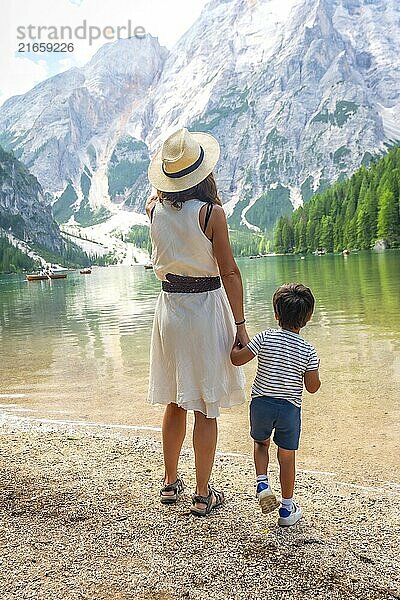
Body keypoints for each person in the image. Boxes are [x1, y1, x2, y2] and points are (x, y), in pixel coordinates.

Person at [146, 127, 248, 516]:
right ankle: (203, 494)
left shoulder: (153, 209)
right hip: (205, 308)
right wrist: (240, 326)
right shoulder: (211, 213)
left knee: (175, 398)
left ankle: (170, 484)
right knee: (206, 404)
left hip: (170, 310)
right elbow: (231, 273)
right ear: (202, 172)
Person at [230, 283, 321, 526]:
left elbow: (237, 360)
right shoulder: (309, 351)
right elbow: (312, 387)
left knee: (261, 443)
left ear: (276, 314)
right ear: (308, 317)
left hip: (261, 404)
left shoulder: (264, 338)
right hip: (289, 409)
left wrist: (235, 344)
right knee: (286, 455)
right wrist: (315, 374)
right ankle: (287, 510)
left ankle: (262, 483)